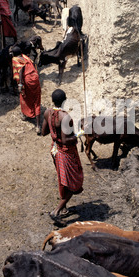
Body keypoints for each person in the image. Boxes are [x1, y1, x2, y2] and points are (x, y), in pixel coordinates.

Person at [42, 89, 84, 221]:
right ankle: (56, 211)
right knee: (74, 182)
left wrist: (56, 132)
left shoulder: (48, 112)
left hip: (54, 150)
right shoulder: (65, 117)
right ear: (65, 100)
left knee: (63, 179)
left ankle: (64, 207)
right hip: (65, 152)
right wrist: (79, 134)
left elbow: (43, 132)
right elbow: (67, 140)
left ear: (52, 100)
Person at [11, 46, 41, 134]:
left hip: (27, 79)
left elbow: (20, 71)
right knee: (37, 100)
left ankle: (24, 115)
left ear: (14, 54)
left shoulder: (15, 59)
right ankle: (38, 126)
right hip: (35, 78)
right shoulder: (25, 57)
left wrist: (20, 84)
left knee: (24, 96)